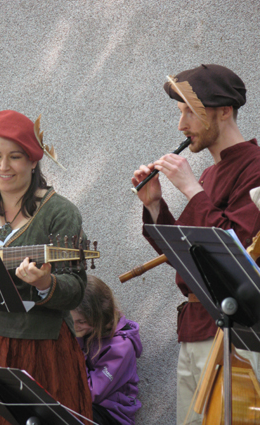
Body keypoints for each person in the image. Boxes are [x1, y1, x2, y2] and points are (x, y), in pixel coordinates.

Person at [0, 110, 93, 425]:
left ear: (34, 160)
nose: (3, 166)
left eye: (15, 157)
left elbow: (76, 290)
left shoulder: (60, 213)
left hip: (36, 351)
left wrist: (45, 284)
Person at [132, 64, 260, 425]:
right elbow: (188, 258)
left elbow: (239, 250)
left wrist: (191, 190)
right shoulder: (207, 174)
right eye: (180, 112)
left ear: (224, 111)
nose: (181, 125)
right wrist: (155, 204)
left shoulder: (256, 168)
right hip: (196, 327)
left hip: (236, 334)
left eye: (191, 110)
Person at [71, 275, 142, 425]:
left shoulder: (121, 347)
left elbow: (90, 392)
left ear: (99, 316)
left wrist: (75, 345)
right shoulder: (86, 331)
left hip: (111, 415)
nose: (74, 326)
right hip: (83, 404)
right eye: (71, 320)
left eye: (81, 321)